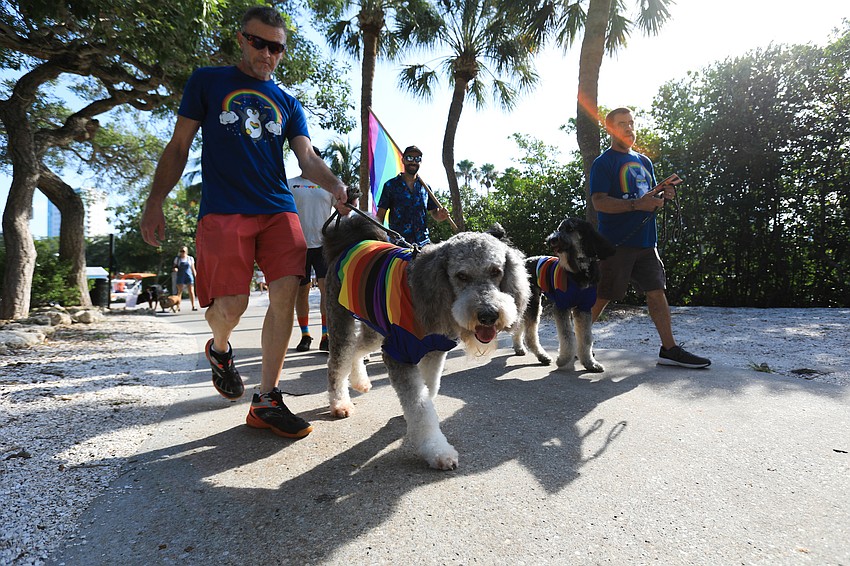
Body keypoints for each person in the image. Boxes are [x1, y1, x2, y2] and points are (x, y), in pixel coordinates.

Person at [140, 6, 350, 439]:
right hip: (224, 208)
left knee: (287, 291)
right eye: (259, 43)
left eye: (276, 47)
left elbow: (306, 158)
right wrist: (155, 201)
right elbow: (179, 145)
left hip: (277, 208)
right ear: (242, 39)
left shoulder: (288, 104)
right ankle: (219, 349)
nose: (267, 54)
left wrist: (337, 188)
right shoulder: (207, 81)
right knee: (231, 306)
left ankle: (267, 399)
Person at [589, 107, 711, 369]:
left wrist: (663, 197)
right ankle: (580, 344)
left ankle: (669, 349)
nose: (629, 128)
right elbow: (599, 203)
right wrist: (636, 205)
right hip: (616, 244)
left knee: (656, 292)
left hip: (646, 242)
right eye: (622, 123)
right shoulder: (603, 163)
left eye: (632, 123)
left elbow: (649, 199)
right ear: (610, 129)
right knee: (603, 294)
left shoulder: (645, 162)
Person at [289, 146, 334, 352]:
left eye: (316, 157)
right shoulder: (291, 184)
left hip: (324, 246)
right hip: (298, 246)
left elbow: (345, 209)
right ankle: (305, 334)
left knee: (326, 290)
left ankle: (326, 335)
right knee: (302, 292)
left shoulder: (329, 186)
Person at [376, 145, 449, 247]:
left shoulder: (426, 188)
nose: (413, 162)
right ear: (403, 160)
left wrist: (440, 216)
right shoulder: (390, 185)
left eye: (417, 159)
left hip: (423, 245)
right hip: (398, 245)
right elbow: (380, 216)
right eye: (409, 158)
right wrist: (379, 239)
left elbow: (435, 213)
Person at [173, 246, 198, 311]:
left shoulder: (190, 258)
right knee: (179, 291)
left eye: (183, 251)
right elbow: (174, 267)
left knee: (191, 291)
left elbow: (193, 268)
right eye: (181, 251)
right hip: (180, 275)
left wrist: (196, 276)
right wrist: (175, 269)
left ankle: (193, 306)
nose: (182, 252)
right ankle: (178, 306)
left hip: (188, 275)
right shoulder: (177, 259)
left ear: (186, 251)